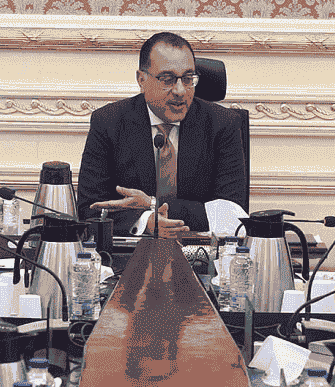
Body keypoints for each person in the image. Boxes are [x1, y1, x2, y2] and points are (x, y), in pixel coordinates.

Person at [76, 31, 248, 237]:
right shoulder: (108, 122)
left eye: (188, 79)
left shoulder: (223, 124)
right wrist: (145, 222)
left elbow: (231, 212)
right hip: (132, 250)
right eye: (167, 79)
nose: (180, 91)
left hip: (200, 248)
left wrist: (151, 204)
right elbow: (90, 209)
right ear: (141, 80)